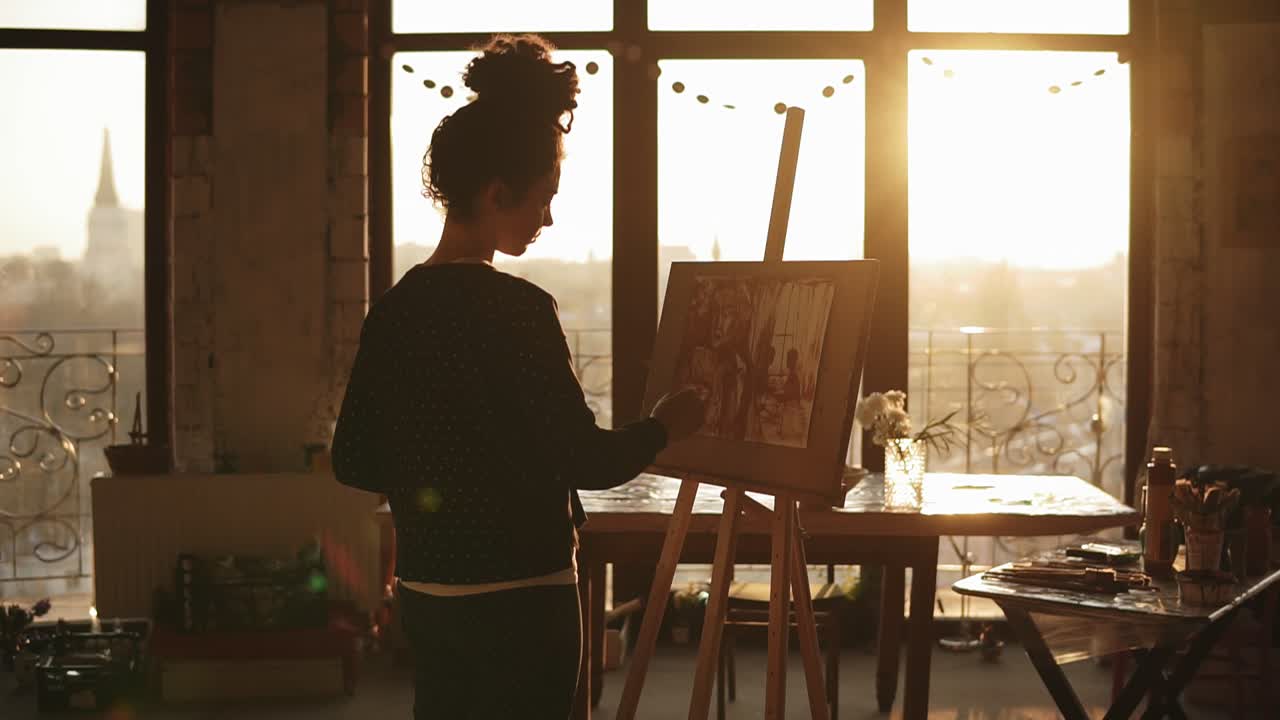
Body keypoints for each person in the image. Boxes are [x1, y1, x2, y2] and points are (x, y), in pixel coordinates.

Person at [330, 34, 705, 720]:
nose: (550, 216)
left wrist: (438, 472)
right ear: (497, 192)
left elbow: (352, 459)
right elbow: (587, 459)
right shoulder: (520, 311)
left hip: (428, 594)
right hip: (523, 594)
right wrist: (665, 426)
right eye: (543, 197)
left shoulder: (394, 311)